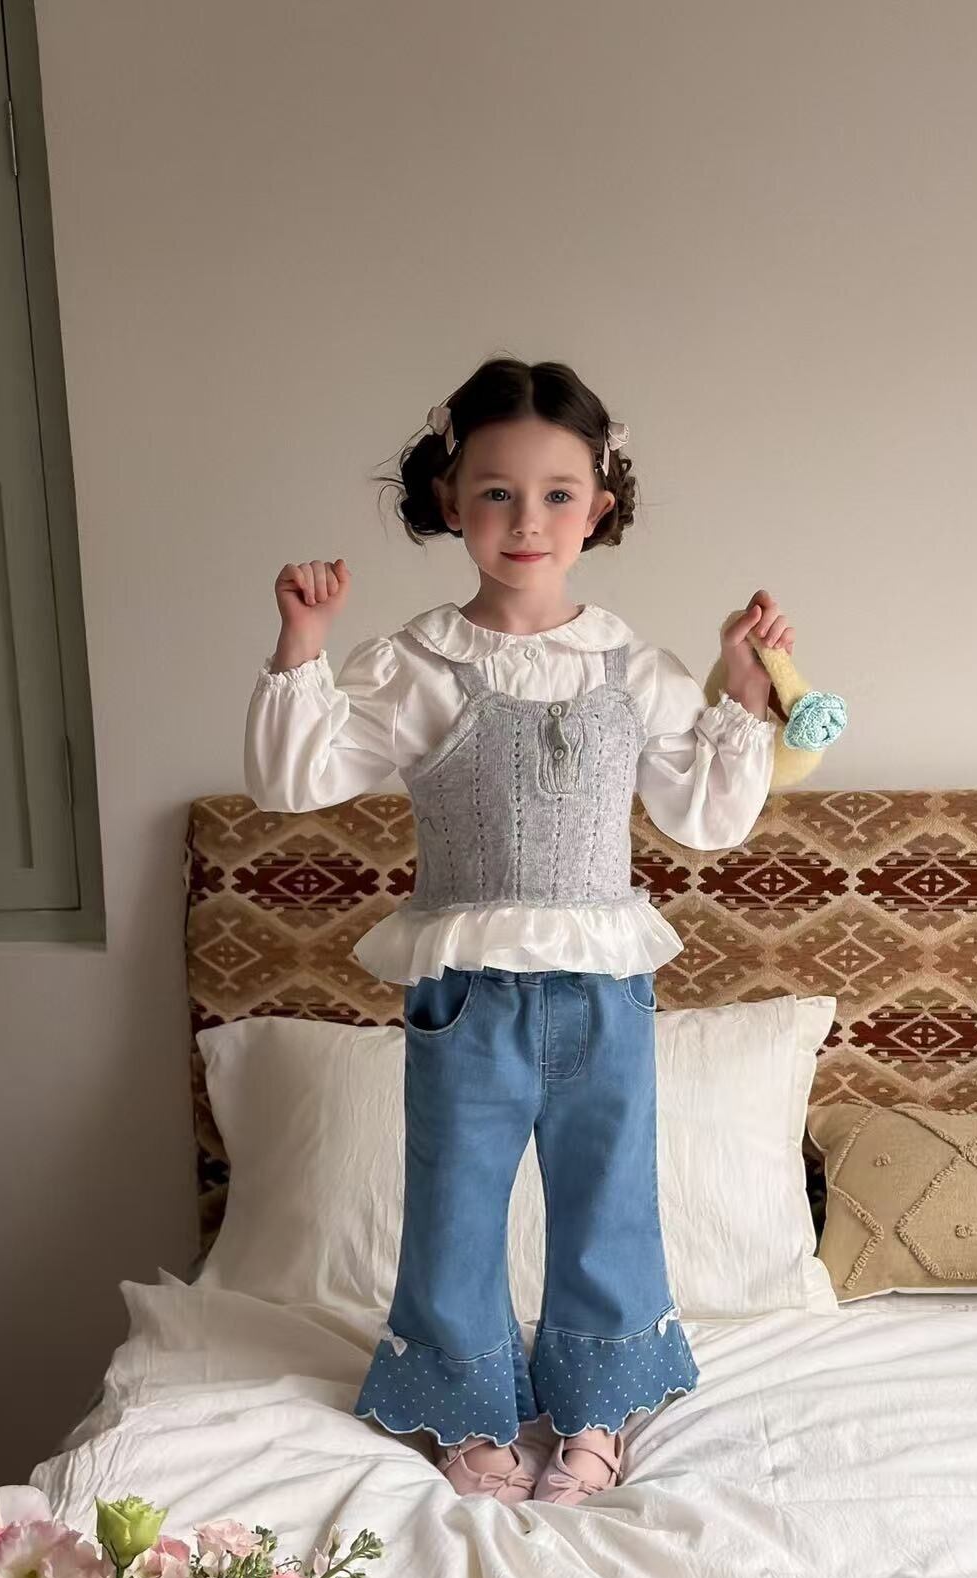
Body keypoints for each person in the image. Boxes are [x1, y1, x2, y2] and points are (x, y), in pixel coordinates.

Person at [244, 355, 805, 1507]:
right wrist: (303, 640)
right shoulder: (419, 662)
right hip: (467, 992)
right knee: (454, 1204)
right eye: (496, 491)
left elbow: (705, 817)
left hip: (603, 988)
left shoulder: (630, 664)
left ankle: (595, 1406)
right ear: (449, 499)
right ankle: (468, 1408)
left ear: (597, 507)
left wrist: (741, 691)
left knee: (608, 1198)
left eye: (556, 493)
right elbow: (293, 778)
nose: (526, 519)